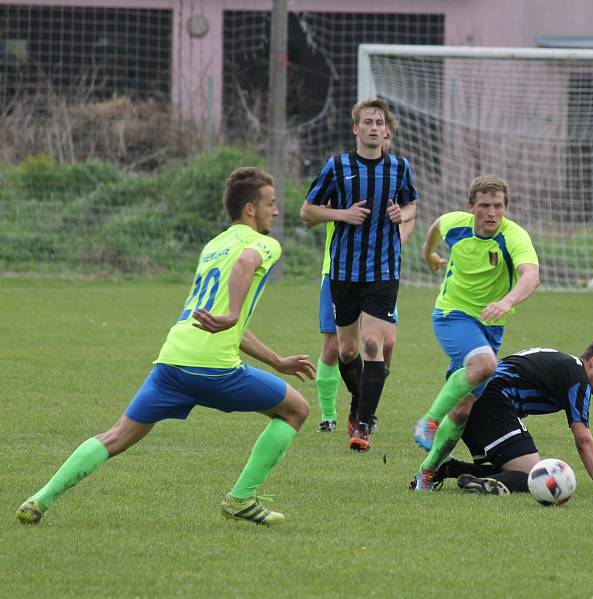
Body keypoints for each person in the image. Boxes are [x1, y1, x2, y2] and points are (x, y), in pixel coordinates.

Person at [16, 168, 316, 527]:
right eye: (271, 203)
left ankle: (39, 500)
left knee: (115, 436)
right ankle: (240, 499)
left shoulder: (213, 246)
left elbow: (216, 319)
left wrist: (276, 360)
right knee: (295, 409)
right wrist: (234, 313)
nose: (277, 211)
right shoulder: (264, 244)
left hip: (172, 360)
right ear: (250, 210)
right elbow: (245, 265)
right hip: (213, 368)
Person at [300, 98, 417, 452]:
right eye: (367, 121)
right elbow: (307, 212)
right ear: (356, 129)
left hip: (383, 271)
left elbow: (411, 204)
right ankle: (358, 403)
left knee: (372, 345)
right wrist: (342, 215)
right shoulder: (337, 167)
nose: (374, 127)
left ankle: (363, 426)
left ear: (386, 131)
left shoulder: (399, 167)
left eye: (379, 122)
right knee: (347, 352)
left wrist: (403, 217)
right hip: (344, 272)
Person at [412, 175, 540, 490]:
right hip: (451, 315)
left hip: (489, 329)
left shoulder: (514, 236)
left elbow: (531, 276)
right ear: (471, 207)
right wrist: (429, 255)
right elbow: (435, 229)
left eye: (498, 206)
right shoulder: (456, 224)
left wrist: (507, 300)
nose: (491, 213)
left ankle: (428, 472)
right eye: (484, 206)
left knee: (464, 407)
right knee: (485, 365)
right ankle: (428, 422)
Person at [416, 338, 593, 496]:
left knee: (506, 469)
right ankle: (478, 483)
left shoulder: (566, 364)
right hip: (492, 399)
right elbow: (582, 437)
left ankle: (450, 468)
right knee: (533, 474)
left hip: (475, 397)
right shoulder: (578, 377)